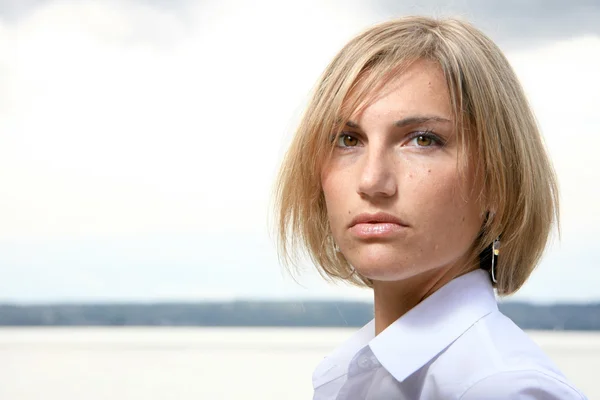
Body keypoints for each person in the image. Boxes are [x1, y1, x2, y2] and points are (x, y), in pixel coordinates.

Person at [274, 16, 587, 400]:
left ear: (498, 178)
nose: (372, 181)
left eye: (423, 139)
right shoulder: (352, 376)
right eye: (348, 139)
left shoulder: (501, 388)